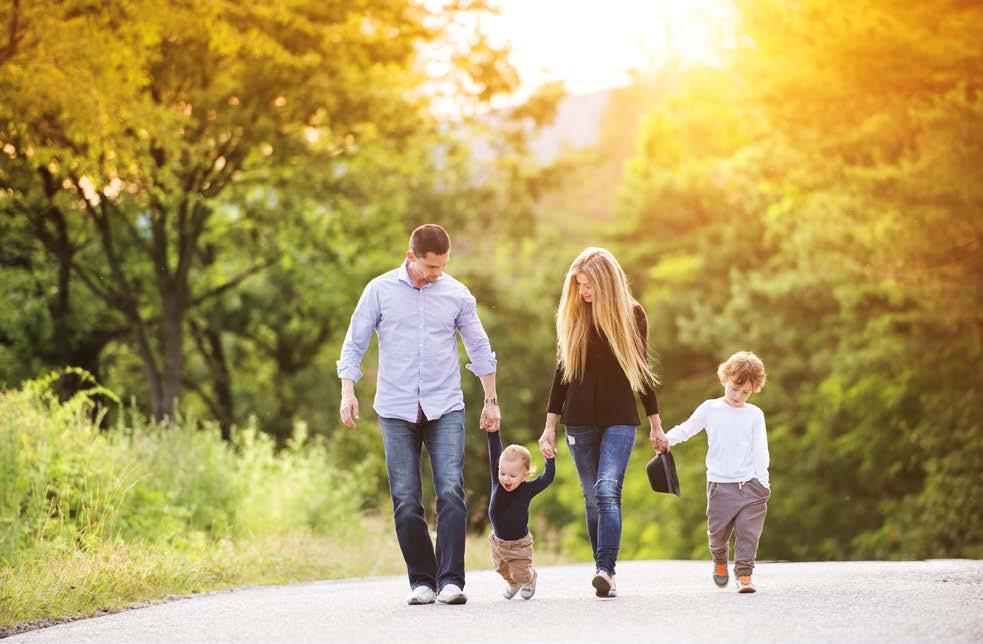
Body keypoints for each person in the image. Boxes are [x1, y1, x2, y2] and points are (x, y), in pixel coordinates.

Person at [337, 224, 500, 606]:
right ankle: (422, 581)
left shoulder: (456, 294)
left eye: (442, 266)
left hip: (445, 405)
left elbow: (479, 345)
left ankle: (451, 581)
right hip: (395, 408)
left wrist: (491, 399)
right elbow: (355, 341)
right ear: (411, 257)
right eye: (430, 266)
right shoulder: (380, 290)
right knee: (407, 498)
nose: (437, 273)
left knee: (451, 492)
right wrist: (348, 391)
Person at [538, 247, 667, 598]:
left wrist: (656, 424)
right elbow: (561, 376)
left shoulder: (633, 315)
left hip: (620, 418)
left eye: (588, 285)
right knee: (592, 498)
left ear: (606, 282)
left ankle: (605, 570)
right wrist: (549, 426)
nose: (583, 292)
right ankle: (602, 568)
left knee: (607, 489)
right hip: (578, 421)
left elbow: (643, 374)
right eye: (578, 285)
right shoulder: (574, 316)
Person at [663, 351, 770, 593]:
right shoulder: (710, 409)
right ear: (725, 379)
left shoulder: (754, 415)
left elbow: (760, 450)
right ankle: (720, 560)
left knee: (748, 534)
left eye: (746, 393)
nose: (738, 396)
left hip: (751, 486)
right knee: (717, 534)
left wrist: (763, 482)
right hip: (720, 485)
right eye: (735, 389)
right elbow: (687, 429)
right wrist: (666, 439)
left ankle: (745, 575)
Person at [486, 427, 555, 600]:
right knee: (501, 569)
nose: (506, 479)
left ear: (525, 474)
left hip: (519, 545)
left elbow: (547, 478)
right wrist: (493, 432)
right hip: (497, 541)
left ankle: (530, 578)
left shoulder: (527, 489)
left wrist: (550, 459)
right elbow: (494, 450)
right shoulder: (497, 481)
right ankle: (513, 584)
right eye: (502, 473)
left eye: (512, 475)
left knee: (520, 573)